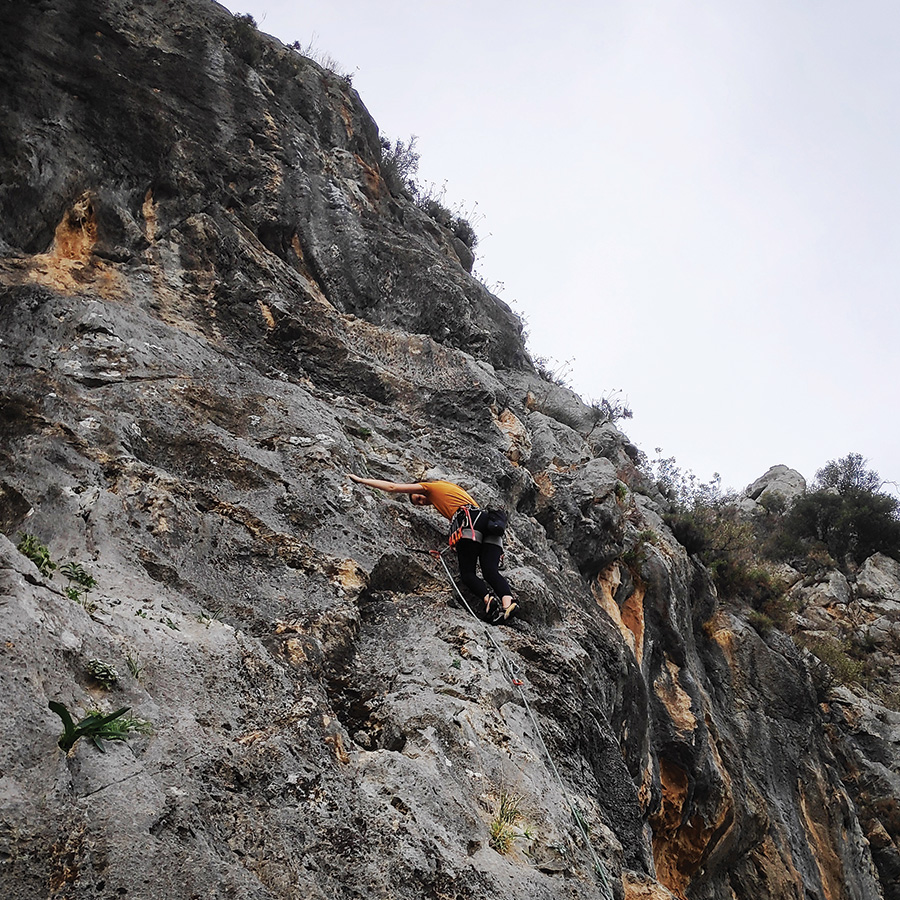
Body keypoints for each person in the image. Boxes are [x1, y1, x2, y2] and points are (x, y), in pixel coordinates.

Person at [347, 474, 517, 623]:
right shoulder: (452, 489)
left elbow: (393, 487)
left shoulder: (430, 487)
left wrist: (361, 480)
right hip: (488, 523)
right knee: (490, 571)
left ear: (421, 488)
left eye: (419, 498)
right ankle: (507, 605)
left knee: (467, 574)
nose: (421, 502)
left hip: (469, 522)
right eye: (418, 504)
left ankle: (488, 600)